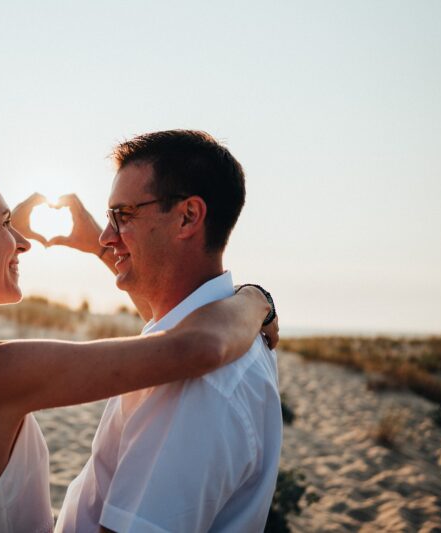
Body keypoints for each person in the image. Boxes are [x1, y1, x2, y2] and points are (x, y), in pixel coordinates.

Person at [0, 163, 277, 533]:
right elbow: (192, 347)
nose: (22, 241)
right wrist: (256, 299)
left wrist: (96, 247)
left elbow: (161, 329)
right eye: (6, 224)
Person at [23, 130, 282, 532]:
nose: (108, 237)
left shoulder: (191, 385)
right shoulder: (217, 327)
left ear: (188, 217)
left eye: (122, 215)